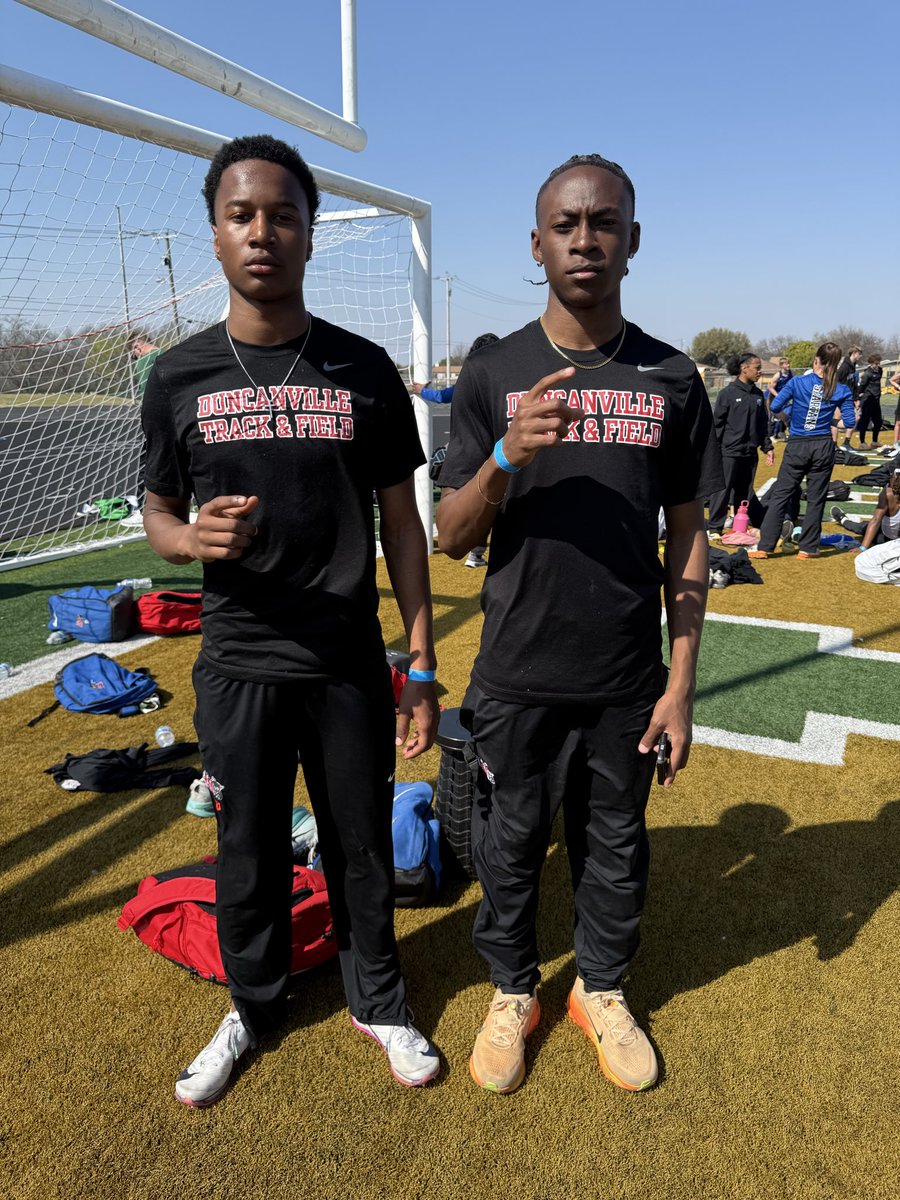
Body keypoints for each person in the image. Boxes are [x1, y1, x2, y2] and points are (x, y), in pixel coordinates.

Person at [140, 134, 440, 1108]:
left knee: (359, 841)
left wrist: (423, 659)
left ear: (311, 235)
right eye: (242, 214)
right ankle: (254, 1003)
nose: (262, 230)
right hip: (237, 664)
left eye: (283, 214)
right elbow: (155, 511)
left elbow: (401, 518)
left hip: (347, 660)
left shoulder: (360, 369)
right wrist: (188, 542)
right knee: (249, 847)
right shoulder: (179, 376)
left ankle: (378, 998)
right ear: (216, 232)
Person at [436, 153, 722, 1095]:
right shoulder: (494, 369)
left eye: (604, 222)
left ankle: (600, 988)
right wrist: (506, 459)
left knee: (615, 843)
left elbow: (687, 539)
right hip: (515, 670)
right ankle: (514, 989)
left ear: (632, 239)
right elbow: (450, 534)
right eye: (566, 224)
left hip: (626, 677)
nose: (586, 239)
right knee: (505, 844)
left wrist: (680, 686)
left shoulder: (673, 377)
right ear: (537, 243)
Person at [749, 342, 855, 560]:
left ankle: (765, 546)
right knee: (816, 497)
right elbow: (850, 420)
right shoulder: (841, 388)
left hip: (798, 444)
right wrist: (831, 419)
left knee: (781, 494)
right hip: (823, 445)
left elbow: (776, 406)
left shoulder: (798, 382)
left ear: (816, 360)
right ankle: (808, 548)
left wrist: (791, 417)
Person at [415, 333, 500, 567]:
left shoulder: (468, 378)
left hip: (469, 452)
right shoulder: (501, 380)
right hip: (495, 453)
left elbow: (442, 396)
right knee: (492, 501)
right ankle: (478, 553)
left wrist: (422, 391)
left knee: (472, 500)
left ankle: (475, 552)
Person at [707, 352, 775, 540]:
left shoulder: (758, 395)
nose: (760, 372)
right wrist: (712, 451)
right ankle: (714, 527)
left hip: (750, 453)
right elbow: (717, 425)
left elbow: (762, 425)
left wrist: (767, 447)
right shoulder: (727, 394)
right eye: (757, 368)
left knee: (745, 491)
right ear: (744, 368)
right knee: (723, 489)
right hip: (728, 452)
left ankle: (740, 524)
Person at [831, 469, 900, 546]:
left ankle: (844, 520)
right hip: (889, 538)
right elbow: (875, 520)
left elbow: (875, 520)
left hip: (888, 539)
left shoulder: (888, 493)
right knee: (865, 526)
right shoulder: (888, 494)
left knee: (863, 527)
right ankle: (844, 520)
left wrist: (863, 548)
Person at [835, 346, 861, 447]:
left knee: (856, 418)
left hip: (849, 398)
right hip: (840, 398)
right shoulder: (844, 367)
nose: (860, 356)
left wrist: (856, 398)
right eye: (859, 353)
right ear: (854, 353)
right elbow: (836, 381)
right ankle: (834, 444)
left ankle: (846, 443)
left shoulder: (853, 366)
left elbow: (853, 384)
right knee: (836, 420)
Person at [856, 353, 884, 448]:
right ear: (871, 363)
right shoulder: (867, 374)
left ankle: (874, 441)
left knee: (878, 421)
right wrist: (858, 398)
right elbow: (861, 387)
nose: (878, 365)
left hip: (876, 400)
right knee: (865, 421)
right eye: (876, 363)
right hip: (867, 400)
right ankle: (862, 442)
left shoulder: (880, 370)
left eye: (879, 363)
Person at [765, 356, 793, 440]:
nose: (788, 365)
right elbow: (770, 388)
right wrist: (778, 396)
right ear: (781, 365)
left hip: (782, 397)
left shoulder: (790, 373)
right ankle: (770, 436)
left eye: (789, 363)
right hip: (772, 397)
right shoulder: (777, 375)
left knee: (786, 415)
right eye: (786, 363)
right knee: (772, 416)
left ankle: (781, 432)